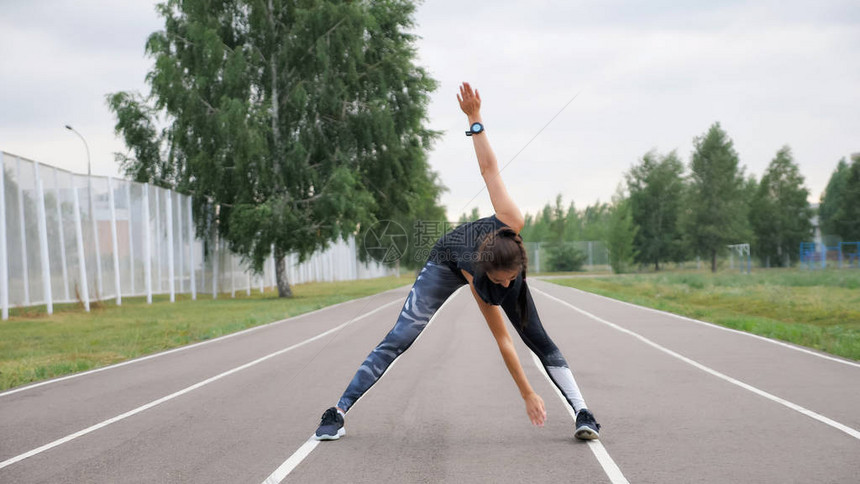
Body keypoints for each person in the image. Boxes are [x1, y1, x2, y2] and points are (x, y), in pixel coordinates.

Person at [314, 82, 600, 441]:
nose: (506, 286)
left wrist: (476, 119)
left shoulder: (512, 224)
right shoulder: (478, 274)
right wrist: (526, 391)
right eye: (500, 282)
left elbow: (489, 169)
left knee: (539, 339)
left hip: (489, 257)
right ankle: (337, 412)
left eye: (512, 279)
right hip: (446, 260)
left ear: (520, 262)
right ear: (485, 274)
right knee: (401, 336)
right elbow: (502, 339)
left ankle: (583, 412)